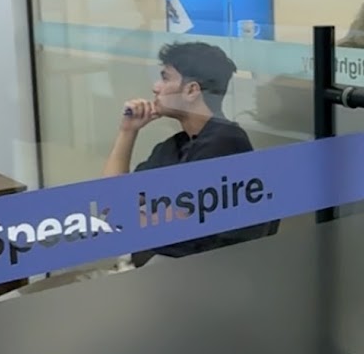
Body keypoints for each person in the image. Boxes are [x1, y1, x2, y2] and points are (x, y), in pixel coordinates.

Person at [103, 41, 273, 266]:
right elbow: (110, 202)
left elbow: (161, 227)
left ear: (191, 90)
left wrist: (128, 216)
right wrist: (128, 131)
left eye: (165, 78)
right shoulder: (176, 145)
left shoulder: (225, 144)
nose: (155, 87)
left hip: (204, 275)